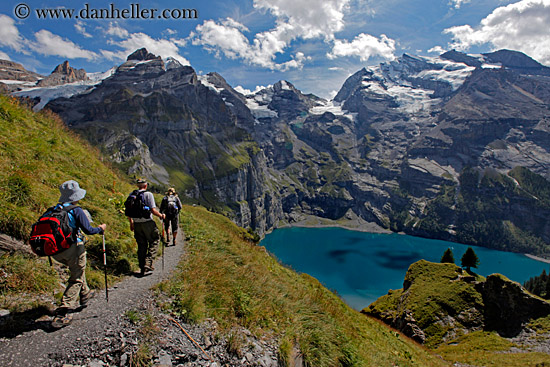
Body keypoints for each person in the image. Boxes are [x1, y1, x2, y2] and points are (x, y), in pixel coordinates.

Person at [51, 180, 106, 329]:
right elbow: (88, 230)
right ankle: (63, 311)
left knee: (77, 270)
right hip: (73, 248)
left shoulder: (53, 209)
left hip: (55, 251)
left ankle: (85, 294)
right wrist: (100, 229)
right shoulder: (76, 210)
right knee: (76, 277)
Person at [126, 178, 165, 276]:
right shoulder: (148, 194)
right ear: (146, 185)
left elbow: (128, 211)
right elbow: (153, 210)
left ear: (137, 185)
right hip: (147, 222)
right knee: (155, 240)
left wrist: (131, 223)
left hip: (136, 223)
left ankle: (142, 266)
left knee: (141, 245)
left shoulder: (132, 195)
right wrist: (161, 216)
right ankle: (148, 262)